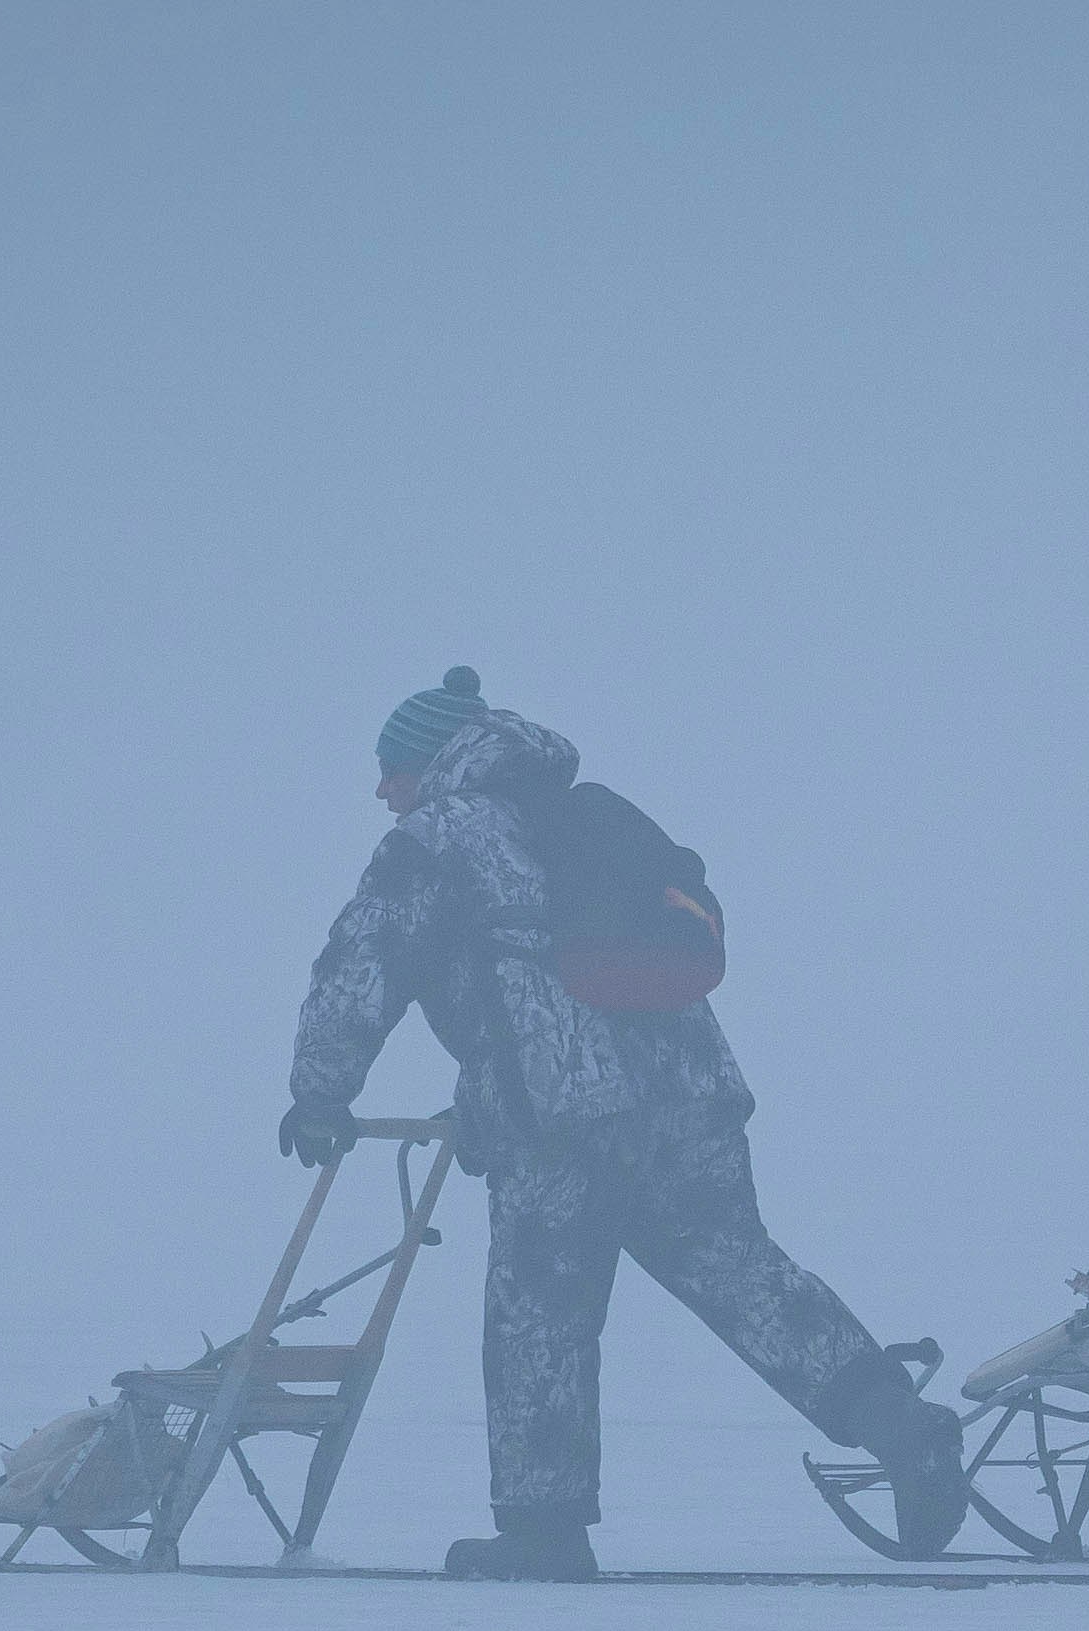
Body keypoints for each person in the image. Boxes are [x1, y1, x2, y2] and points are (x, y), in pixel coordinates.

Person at [288, 668, 970, 1580]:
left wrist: (318, 1093)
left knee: (540, 1310)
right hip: (690, 1094)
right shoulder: (585, 813)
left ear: (431, 761)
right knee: (744, 1272)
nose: (380, 789)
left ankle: (543, 1529)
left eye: (390, 767)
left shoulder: (439, 836)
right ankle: (898, 1423)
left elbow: (362, 968)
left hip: (563, 1116)